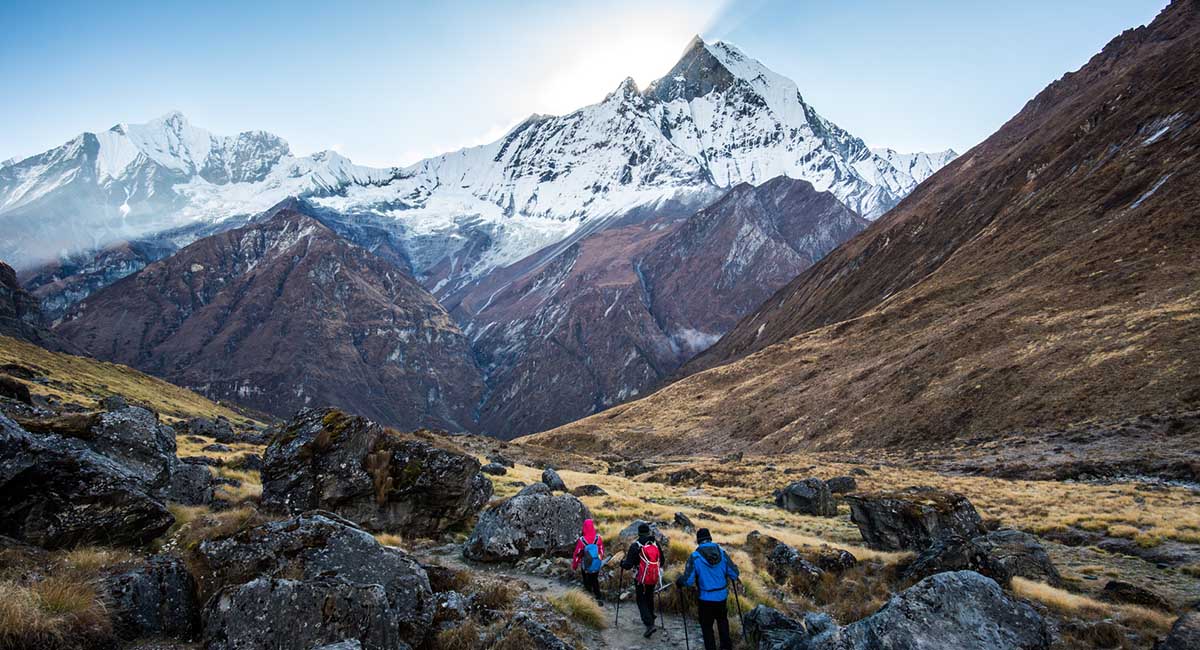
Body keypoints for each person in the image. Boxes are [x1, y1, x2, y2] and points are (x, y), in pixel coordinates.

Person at [676, 528, 740, 650]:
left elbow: (688, 581)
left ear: (698, 540)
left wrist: (680, 581)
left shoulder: (695, 557)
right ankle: (726, 647)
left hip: (705, 599)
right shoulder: (722, 553)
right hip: (721, 597)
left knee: (707, 627)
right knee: (723, 623)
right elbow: (734, 574)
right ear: (710, 538)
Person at [620, 523, 663, 638]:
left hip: (641, 578)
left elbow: (628, 565)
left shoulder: (636, 545)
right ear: (648, 532)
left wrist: (622, 564)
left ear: (638, 533)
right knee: (649, 596)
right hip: (653, 577)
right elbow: (662, 561)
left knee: (641, 599)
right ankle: (651, 618)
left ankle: (649, 624)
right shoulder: (655, 544)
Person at [571, 518, 605, 603]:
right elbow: (601, 551)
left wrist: (575, 565)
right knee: (595, 579)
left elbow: (577, 554)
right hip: (596, 564)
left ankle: (588, 597)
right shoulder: (598, 538)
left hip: (585, 565)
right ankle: (598, 596)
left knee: (586, 580)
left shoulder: (582, 540)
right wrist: (598, 560)